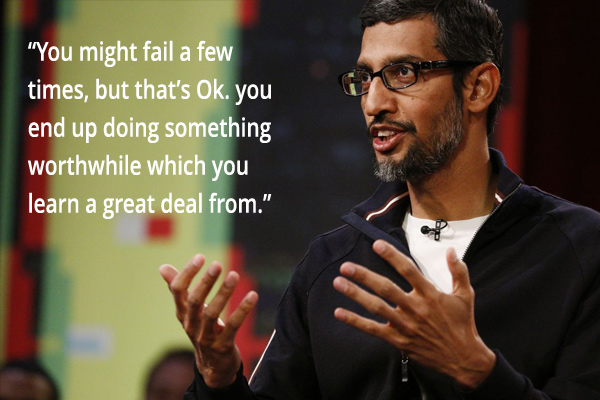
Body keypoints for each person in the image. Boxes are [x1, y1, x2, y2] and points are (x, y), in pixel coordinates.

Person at [159, 0, 600, 398]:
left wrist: (478, 372)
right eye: (365, 78)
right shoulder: (331, 263)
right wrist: (218, 381)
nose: (374, 103)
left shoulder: (580, 249)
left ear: (478, 87)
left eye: (402, 73)